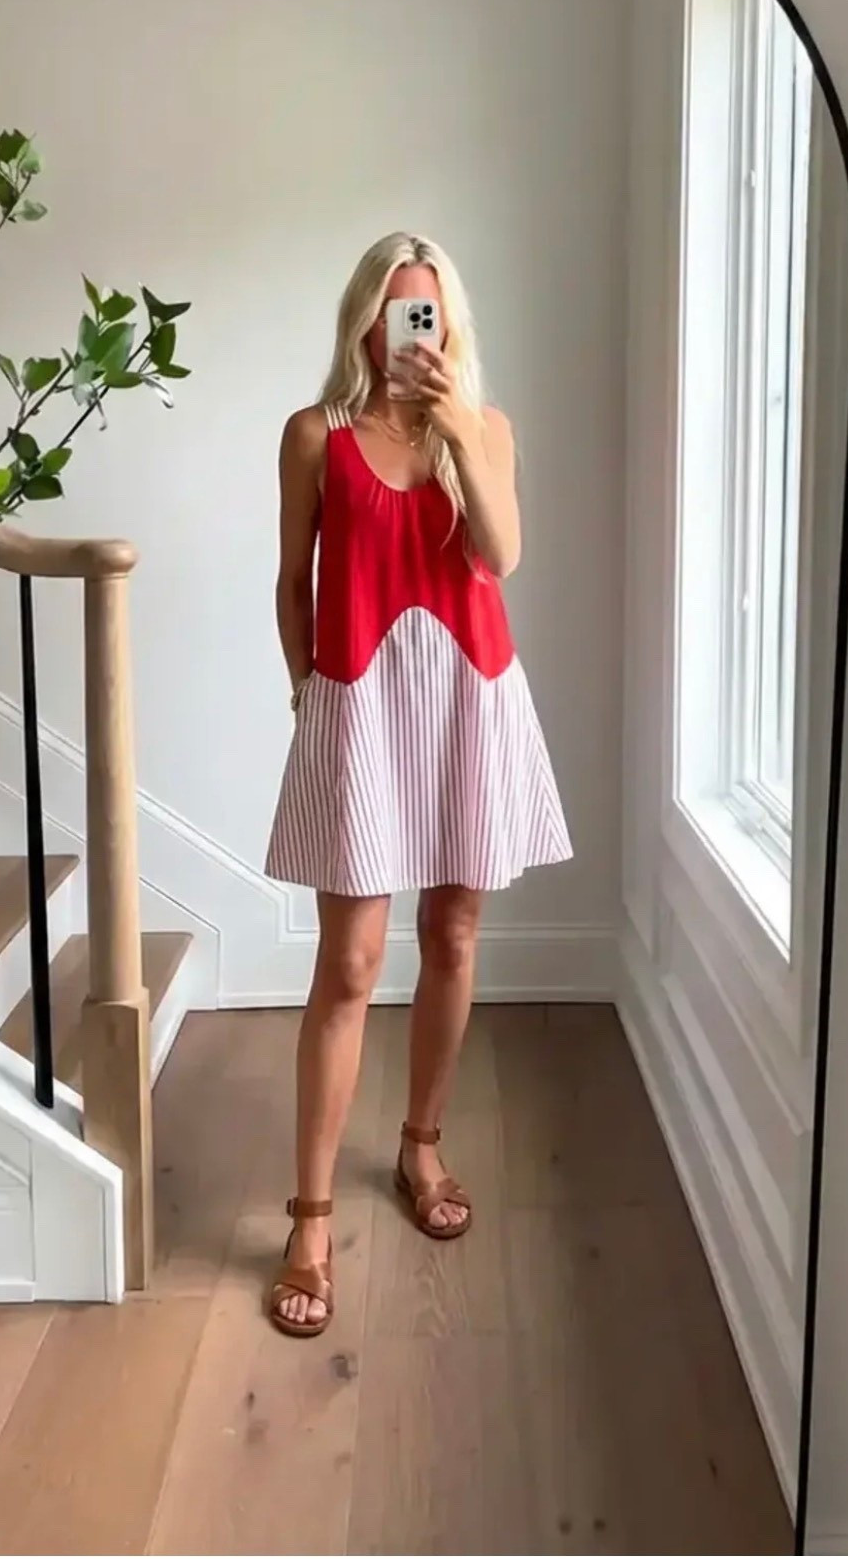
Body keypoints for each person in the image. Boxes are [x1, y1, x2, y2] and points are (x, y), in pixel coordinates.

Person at [263, 232, 571, 1336]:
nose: (410, 332)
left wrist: (452, 430)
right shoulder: (316, 436)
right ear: (363, 322)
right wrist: (314, 699)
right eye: (395, 312)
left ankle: (420, 1145)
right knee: (346, 961)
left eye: (427, 314)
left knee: (452, 934)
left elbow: (504, 554)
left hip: (469, 698)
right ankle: (308, 1216)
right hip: (361, 703)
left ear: (450, 327)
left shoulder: (483, 432)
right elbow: (291, 584)